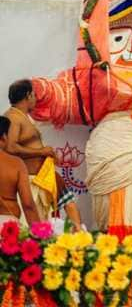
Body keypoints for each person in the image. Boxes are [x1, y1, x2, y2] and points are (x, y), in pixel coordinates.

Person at [4, 79, 82, 229]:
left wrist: (47, 154)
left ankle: (79, 232)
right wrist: (41, 151)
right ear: (28, 95)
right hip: (29, 179)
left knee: (67, 201)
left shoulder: (24, 116)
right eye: (34, 94)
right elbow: (10, 148)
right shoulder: (13, 118)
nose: (36, 98)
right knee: (31, 228)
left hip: (43, 175)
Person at [0, 117, 40, 225]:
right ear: (4, 137)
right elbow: (28, 205)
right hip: (7, 227)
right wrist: (39, 234)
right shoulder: (16, 164)